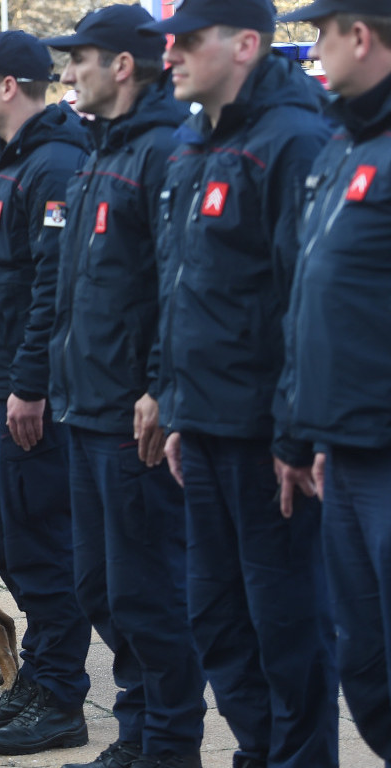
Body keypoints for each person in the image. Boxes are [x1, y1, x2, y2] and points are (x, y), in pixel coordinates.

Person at [138, 1, 339, 766]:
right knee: (218, 620)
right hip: (206, 426)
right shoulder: (196, 141)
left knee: (288, 630)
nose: (173, 56)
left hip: (265, 439)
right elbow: (184, 288)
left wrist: (295, 432)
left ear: (246, 44)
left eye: (189, 42)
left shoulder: (293, 140)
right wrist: (173, 399)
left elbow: (304, 302)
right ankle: (259, 752)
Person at [41, 7, 207, 768]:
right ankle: (137, 732)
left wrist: (156, 385)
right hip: (85, 406)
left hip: (129, 415)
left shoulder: (164, 151)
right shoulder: (100, 151)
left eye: (82, 59)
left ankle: (166, 743)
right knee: (100, 589)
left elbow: (179, 283)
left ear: (125, 67)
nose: (69, 73)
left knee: (149, 595)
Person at [0, 30, 93, 757]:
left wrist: (29, 384)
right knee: (8, 544)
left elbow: (50, 292)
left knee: (43, 549)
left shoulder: (54, 164)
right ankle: (40, 676)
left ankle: (63, 696)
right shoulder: (13, 163)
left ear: (10, 86)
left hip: (23, 400)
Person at [275, 0, 391, 762]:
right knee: (366, 663)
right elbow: (318, 306)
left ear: (360, 34)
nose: (315, 49)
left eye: (321, 34)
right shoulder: (347, 145)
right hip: (344, 449)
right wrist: (313, 428)